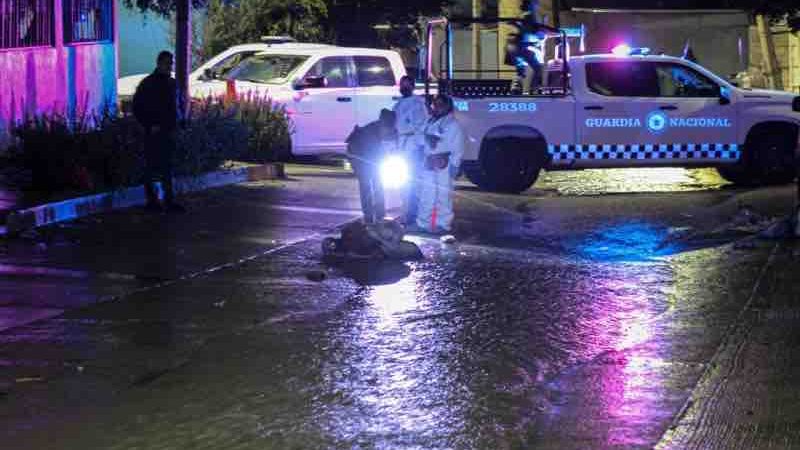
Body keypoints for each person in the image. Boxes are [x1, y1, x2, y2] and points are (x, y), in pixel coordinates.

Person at [133, 51, 185, 213]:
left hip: (169, 130)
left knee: (167, 167)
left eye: (171, 63)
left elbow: (177, 105)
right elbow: (138, 107)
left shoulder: (171, 83)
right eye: (167, 63)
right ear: (159, 63)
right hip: (154, 132)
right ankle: (152, 201)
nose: (169, 66)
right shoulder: (148, 84)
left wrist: (181, 121)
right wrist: (149, 125)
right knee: (150, 167)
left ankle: (168, 201)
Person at [416, 95, 464, 235]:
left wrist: (454, 166)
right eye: (435, 104)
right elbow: (419, 137)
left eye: (440, 105)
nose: (436, 107)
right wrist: (428, 139)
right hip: (428, 162)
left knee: (443, 195)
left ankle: (443, 225)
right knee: (426, 194)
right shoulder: (429, 121)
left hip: (444, 163)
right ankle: (422, 223)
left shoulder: (453, 124)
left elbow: (457, 147)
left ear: (447, 107)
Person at [346, 109, 397, 225]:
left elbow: (391, 147)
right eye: (387, 125)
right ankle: (368, 216)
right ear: (382, 122)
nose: (389, 129)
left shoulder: (390, 129)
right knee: (366, 186)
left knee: (378, 185)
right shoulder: (368, 134)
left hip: (370, 157)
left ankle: (380, 214)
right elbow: (373, 155)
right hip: (358, 155)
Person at [392, 75, 429, 224]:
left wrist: (418, 146)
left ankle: (413, 214)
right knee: (402, 182)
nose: (404, 88)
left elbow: (421, 126)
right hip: (401, 147)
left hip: (412, 147)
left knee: (412, 182)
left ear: (412, 86)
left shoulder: (418, 104)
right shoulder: (398, 104)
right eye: (402, 85)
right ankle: (406, 211)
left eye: (407, 85)